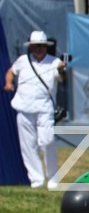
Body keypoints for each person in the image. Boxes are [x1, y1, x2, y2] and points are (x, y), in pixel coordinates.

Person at [4, 30, 66, 190]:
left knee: (47, 141)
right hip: (23, 108)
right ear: (31, 47)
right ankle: (36, 180)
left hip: (44, 108)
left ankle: (53, 179)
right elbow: (11, 72)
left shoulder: (54, 62)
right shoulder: (23, 60)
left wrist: (61, 70)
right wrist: (9, 83)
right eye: (36, 46)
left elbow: (62, 76)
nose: (39, 49)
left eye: (42, 46)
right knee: (28, 146)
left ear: (46, 47)